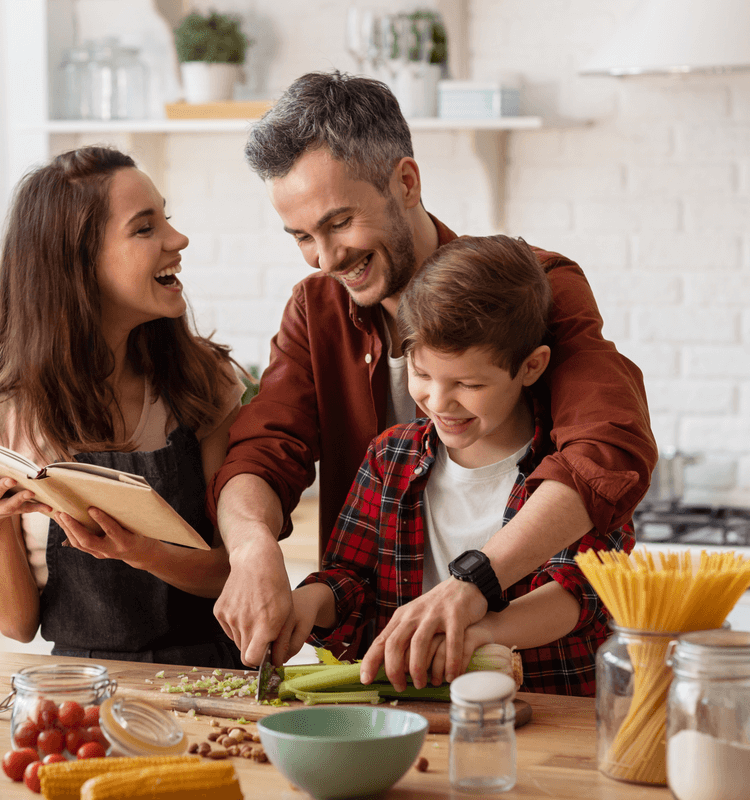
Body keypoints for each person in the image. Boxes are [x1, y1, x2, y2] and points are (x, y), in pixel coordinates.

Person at [208, 71, 657, 688]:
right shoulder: (317, 311)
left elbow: (607, 449)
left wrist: (473, 586)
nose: (325, 258)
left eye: (339, 223)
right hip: (392, 693)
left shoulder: (536, 287)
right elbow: (262, 453)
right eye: (303, 237)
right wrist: (254, 547)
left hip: (544, 687)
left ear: (406, 182)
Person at [0, 145, 245, 668]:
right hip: (80, 689)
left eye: (165, 218)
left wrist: (140, 551)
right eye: (145, 228)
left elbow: (233, 572)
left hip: (210, 678)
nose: (178, 239)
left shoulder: (203, 383)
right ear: (77, 263)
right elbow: (16, 624)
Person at [289, 235, 632, 696]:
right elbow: (351, 582)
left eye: (468, 383)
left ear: (531, 367)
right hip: (417, 716)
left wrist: (483, 632)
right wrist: (307, 603)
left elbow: (582, 592)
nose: (439, 400)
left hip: (551, 714)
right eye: (422, 373)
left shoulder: (571, 470)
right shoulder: (389, 457)